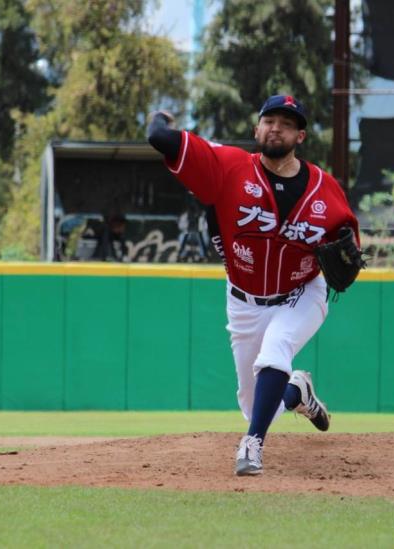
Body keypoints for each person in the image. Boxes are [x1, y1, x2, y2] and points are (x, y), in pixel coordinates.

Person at [147, 94, 360, 475]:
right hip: (244, 302)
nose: (276, 127)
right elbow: (162, 140)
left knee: (276, 350)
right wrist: (160, 120)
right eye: (269, 120)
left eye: (287, 123)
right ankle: (298, 393)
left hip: (301, 295)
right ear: (256, 129)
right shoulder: (228, 167)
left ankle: (252, 444)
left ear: (301, 137)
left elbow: (349, 244)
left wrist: (347, 253)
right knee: (253, 401)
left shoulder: (325, 191)